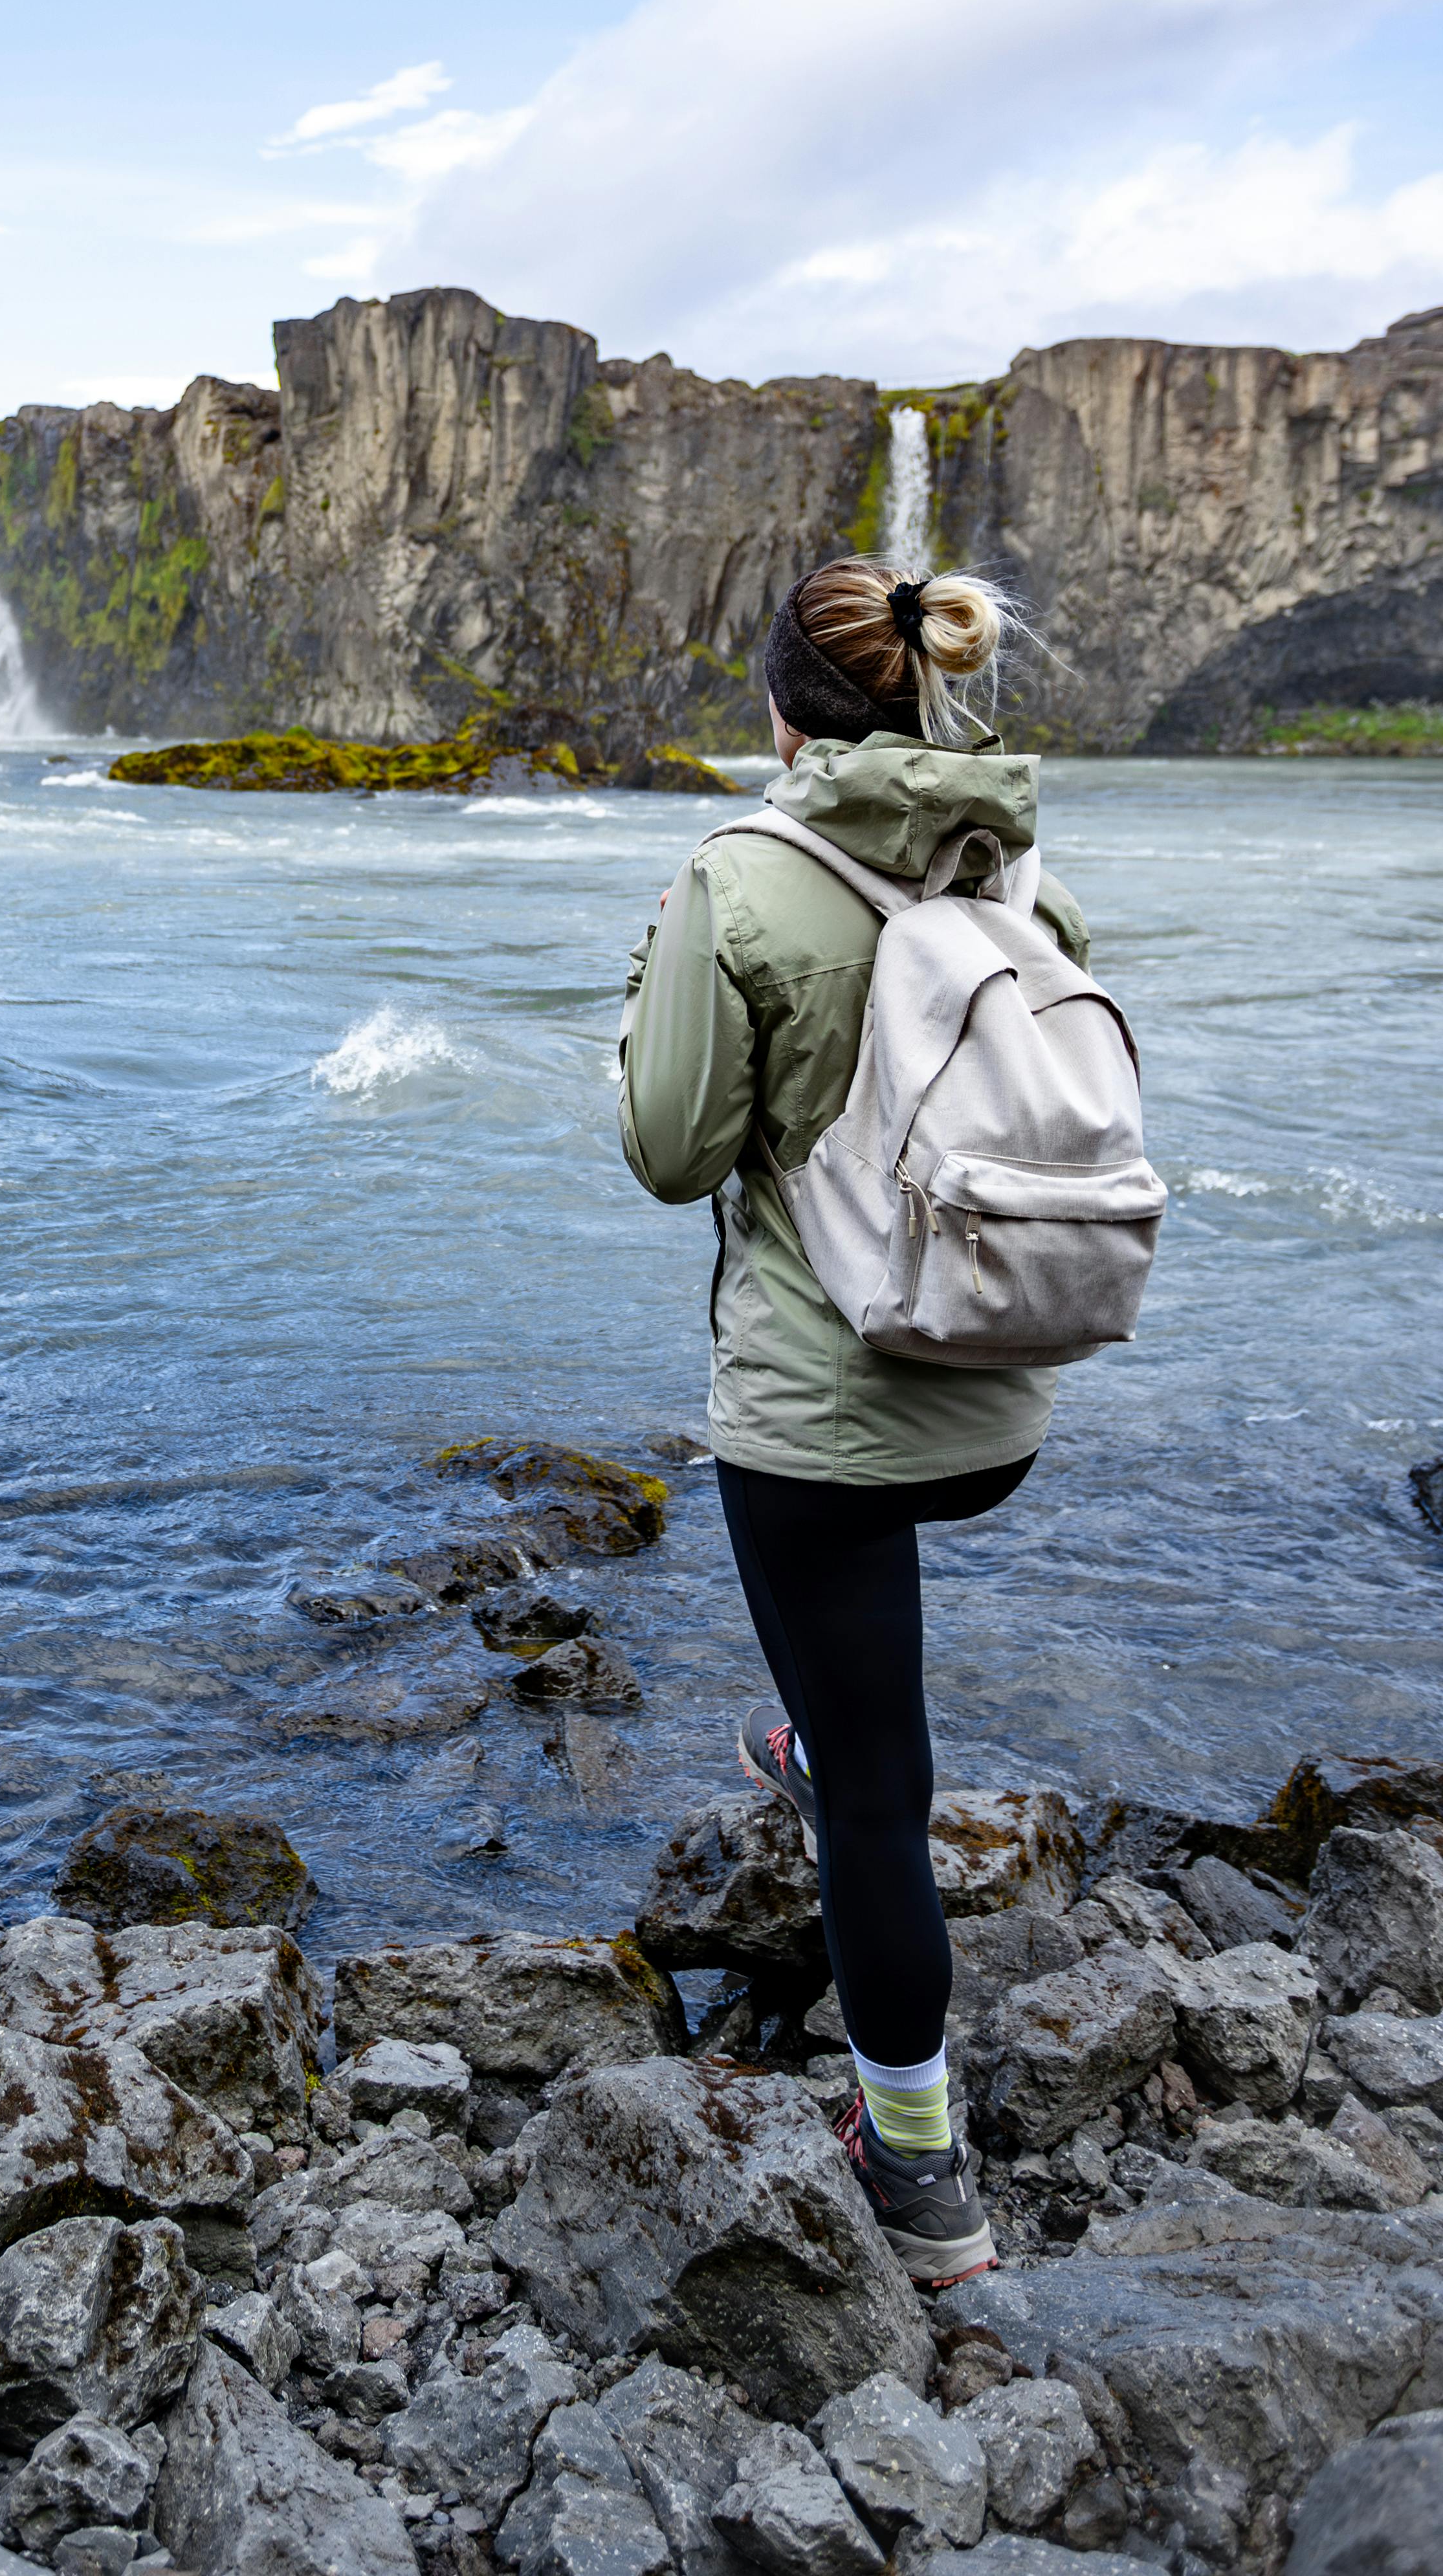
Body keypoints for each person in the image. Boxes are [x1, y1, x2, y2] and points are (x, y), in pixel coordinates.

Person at [617, 555, 1092, 2291]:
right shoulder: (1009, 862)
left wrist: (645, 1030)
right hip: (997, 1389)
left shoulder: (737, 879)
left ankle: (920, 2176)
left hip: (829, 1424)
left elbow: (672, 1155)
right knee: (854, 1707)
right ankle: (819, 1742)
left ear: (781, 712)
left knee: (882, 1797)